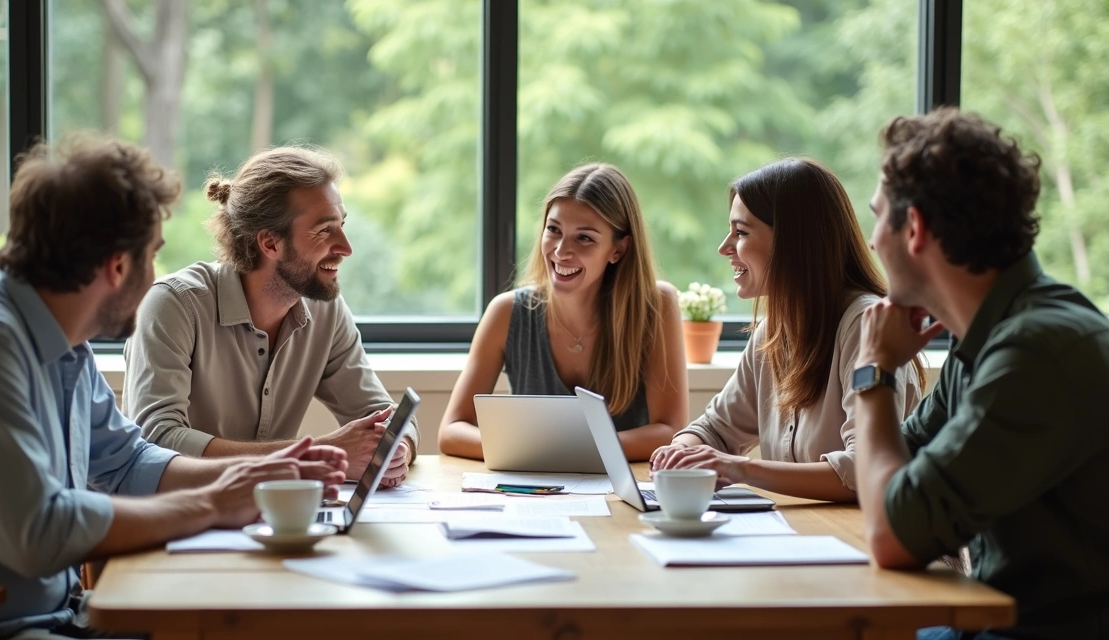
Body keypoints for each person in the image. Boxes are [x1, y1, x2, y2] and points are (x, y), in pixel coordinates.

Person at [0, 134, 347, 640]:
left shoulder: (65, 345)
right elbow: (38, 532)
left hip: (63, 616)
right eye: (152, 254)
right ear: (117, 266)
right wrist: (213, 504)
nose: (156, 274)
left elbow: (127, 460)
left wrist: (257, 472)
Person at [853, 108, 1109, 639]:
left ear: (915, 228)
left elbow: (891, 535)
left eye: (877, 217)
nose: (873, 240)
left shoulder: (1035, 351)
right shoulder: (988, 339)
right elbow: (898, 474)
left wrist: (873, 374)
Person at [122, 146, 416, 487]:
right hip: (179, 517)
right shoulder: (174, 305)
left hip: (272, 517)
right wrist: (314, 456)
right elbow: (156, 440)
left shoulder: (326, 311)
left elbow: (385, 415)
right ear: (270, 243)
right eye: (324, 230)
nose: (346, 247)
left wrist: (396, 451)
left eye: (342, 225)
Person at [651, 158, 924, 503]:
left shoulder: (866, 324)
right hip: (809, 536)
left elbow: (862, 470)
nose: (724, 248)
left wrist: (740, 468)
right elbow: (713, 430)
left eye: (741, 232)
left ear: (793, 242)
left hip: (866, 541)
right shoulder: (772, 333)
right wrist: (681, 452)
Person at [438, 163, 687, 461]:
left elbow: (671, 431)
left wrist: (557, 449)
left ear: (618, 250)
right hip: (536, 497)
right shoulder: (506, 313)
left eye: (584, 238)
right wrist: (553, 451)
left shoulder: (657, 306)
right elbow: (452, 430)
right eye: (554, 230)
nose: (560, 251)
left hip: (623, 496)